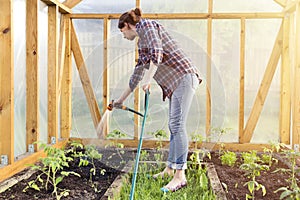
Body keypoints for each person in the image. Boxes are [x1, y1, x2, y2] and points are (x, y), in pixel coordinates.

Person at [115, 8, 202, 192]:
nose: (123, 36)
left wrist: (149, 79)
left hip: (184, 77)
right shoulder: (142, 43)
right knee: (173, 125)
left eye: (122, 31)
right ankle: (170, 169)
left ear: (129, 26)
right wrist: (120, 100)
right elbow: (136, 75)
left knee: (177, 125)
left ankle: (180, 176)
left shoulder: (146, 26)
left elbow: (158, 52)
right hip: (176, 83)